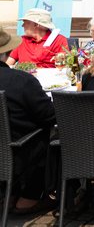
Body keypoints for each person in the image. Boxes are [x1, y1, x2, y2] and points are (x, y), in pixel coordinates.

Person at [0, 46, 57, 214]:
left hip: (8, 149)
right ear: (8, 54)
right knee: (48, 135)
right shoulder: (20, 79)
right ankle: (29, 197)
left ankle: (10, 194)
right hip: (18, 152)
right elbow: (48, 115)